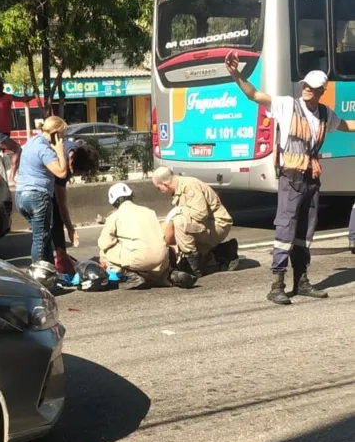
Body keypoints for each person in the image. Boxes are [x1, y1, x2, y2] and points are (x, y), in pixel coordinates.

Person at [225, 50, 355, 305]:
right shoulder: (286, 105)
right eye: (306, 85)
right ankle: (277, 284)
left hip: (311, 180)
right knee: (286, 229)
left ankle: (302, 281)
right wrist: (236, 75)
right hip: (291, 179)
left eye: (313, 87)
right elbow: (254, 95)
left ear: (321, 91)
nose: (307, 89)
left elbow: (347, 126)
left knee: (305, 232)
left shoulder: (325, 114)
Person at [98, 182, 196, 290]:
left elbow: (104, 243)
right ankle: (169, 276)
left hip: (138, 259)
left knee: (104, 252)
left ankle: (132, 276)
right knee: (155, 265)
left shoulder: (114, 216)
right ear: (131, 196)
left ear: (114, 202)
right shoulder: (149, 212)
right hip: (162, 259)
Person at [152, 167, 237, 277]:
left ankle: (194, 267)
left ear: (165, 184)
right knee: (176, 225)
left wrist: (179, 210)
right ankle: (225, 251)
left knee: (179, 222)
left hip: (217, 225)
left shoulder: (189, 186)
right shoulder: (180, 187)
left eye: (159, 188)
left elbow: (200, 214)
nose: (160, 192)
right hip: (207, 225)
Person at [16, 116, 68, 263]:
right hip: (37, 197)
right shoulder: (44, 150)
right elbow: (61, 172)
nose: (62, 139)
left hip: (21, 197)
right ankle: (39, 275)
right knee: (40, 239)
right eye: (62, 136)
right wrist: (60, 151)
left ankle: (50, 271)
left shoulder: (32, 141)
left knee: (44, 236)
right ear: (55, 134)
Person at [52, 143, 100, 275]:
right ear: (72, 162)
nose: (76, 174)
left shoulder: (77, 151)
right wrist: (70, 229)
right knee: (52, 223)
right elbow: (61, 203)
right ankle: (55, 266)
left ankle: (61, 260)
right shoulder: (62, 165)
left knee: (56, 221)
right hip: (35, 190)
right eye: (78, 172)